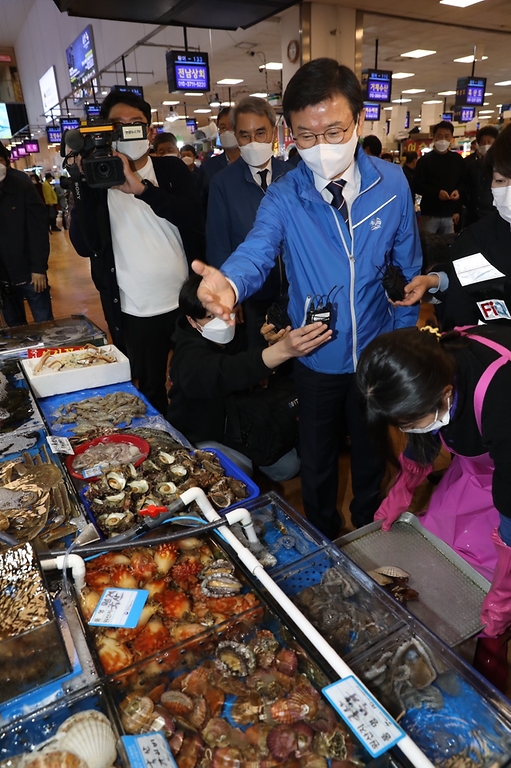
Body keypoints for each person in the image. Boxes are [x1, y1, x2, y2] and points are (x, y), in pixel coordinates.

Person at [192, 57, 422, 539]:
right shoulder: (284, 195)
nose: (321, 147)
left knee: (368, 449)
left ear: (359, 120)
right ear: (289, 133)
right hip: (314, 352)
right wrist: (229, 283)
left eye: (335, 131)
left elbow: (409, 272)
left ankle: (368, 528)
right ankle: (323, 537)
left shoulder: (392, 183)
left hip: (376, 351)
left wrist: (406, 346)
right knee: (316, 458)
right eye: (306, 136)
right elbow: (257, 248)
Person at [356, 323, 511, 642]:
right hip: (478, 469)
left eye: (411, 423)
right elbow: (422, 426)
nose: (408, 430)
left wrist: (501, 601)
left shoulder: (501, 402)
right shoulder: (430, 364)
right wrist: (402, 488)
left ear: (447, 395)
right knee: (436, 546)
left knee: (486, 583)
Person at [69, 90, 204, 414]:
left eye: (136, 124)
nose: (128, 131)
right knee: (150, 388)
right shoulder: (95, 180)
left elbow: (196, 219)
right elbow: (84, 245)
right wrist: (81, 185)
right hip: (134, 310)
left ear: (149, 131)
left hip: (185, 301)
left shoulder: (170, 170)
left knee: (196, 381)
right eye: (118, 125)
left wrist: (143, 190)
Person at [168, 273, 331, 480]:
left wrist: (270, 344)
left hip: (243, 422)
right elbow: (226, 372)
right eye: (209, 317)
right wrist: (282, 350)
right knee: (240, 472)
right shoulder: (187, 356)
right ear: (192, 320)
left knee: (288, 466)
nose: (221, 321)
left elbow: (255, 370)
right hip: (204, 435)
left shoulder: (239, 329)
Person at [396, 123, 511, 329]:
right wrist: (435, 281)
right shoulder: (477, 239)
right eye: (500, 180)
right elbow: (466, 277)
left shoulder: (456, 162)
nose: (508, 191)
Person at [206, 97, 289, 347]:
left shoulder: (294, 175)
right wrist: (229, 293)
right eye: (245, 135)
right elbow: (219, 242)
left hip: (295, 290)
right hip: (251, 294)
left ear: (273, 133)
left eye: (260, 133)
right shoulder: (223, 183)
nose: (253, 141)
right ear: (235, 137)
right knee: (258, 358)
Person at [0, 143, 53, 326]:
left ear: (6, 161)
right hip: (3, 279)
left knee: (44, 324)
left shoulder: (22, 186)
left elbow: (38, 230)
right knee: (14, 333)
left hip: (31, 274)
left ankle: (49, 355)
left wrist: (39, 268)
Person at [414, 120, 464, 235]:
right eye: (439, 136)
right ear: (434, 137)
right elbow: (417, 185)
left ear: (452, 138)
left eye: (447, 136)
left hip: (449, 214)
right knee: (427, 246)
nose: (443, 139)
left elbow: (463, 183)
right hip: (429, 214)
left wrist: (458, 193)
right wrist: (437, 193)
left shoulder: (457, 160)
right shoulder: (425, 161)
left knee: (447, 247)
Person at [197, 107, 240, 211]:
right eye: (223, 128)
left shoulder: (254, 162)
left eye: (232, 127)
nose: (227, 132)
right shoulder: (208, 168)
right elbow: (202, 205)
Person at [463, 125, 498, 227]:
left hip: (492, 216)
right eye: (483, 142)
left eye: (490, 142)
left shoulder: (502, 167)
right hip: (472, 216)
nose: (486, 145)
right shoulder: (472, 166)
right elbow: (466, 187)